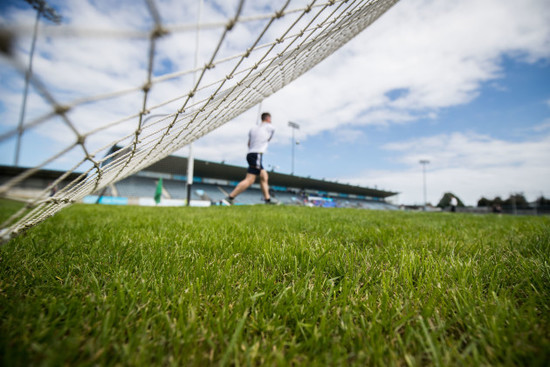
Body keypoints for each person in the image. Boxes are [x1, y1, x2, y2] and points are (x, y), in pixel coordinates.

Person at [224, 112, 277, 205]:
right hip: (257, 154)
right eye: (270, 119)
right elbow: (269, 138)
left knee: (264, 176)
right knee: (250, 179)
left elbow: (248, 144)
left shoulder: (253, 128)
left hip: (251, 154)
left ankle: (267, 200)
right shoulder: (270, 127)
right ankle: (230, 197)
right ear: (268, 118)